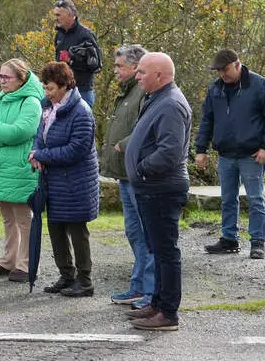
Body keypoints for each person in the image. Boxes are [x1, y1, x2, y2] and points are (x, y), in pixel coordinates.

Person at [125, 52, 192, 331]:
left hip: (161, 189)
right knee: (157, 249)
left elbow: (170, 151)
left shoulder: (171, 104)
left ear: (159, 75)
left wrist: (141, 169)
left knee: (166, 252)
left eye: (142, 72)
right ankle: (157, 303)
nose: (137, 76)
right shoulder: (157, 99)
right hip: (151, 189)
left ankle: (168, 313)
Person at [195, 48, 265, 260]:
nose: (221, 74)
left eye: (225, 69)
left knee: (255, 199)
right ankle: (229, 239)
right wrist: (201, 149)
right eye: (218, 71)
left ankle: (257, 242)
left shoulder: (259, 85)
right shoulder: (215, 88)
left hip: (252, 155)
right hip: (225, 154)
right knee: (227, 199)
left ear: (237, 64)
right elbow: (207, 120)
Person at [29, 61, 99, 298]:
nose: (46, 93)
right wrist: (35, 153)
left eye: (50, 88)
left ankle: (85, 281)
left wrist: (42, 155)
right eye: (44, 88)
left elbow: (75, 150)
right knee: (55, 229)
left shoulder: (81, 112)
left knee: (77, 231)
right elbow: (39, 136)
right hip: (54, 181)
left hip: (76, 183)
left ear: (64, 86)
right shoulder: (48, 108)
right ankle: (67, 275)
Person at [0, 58, 44, 284]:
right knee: (8, 218)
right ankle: (9, 259)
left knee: (24, 219)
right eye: (0, 76)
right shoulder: (0, 99)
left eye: (7, 77)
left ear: (21, 79)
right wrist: (3, 136)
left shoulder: (31, 102)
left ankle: (26, 264)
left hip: (19, 169)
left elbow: (19, 132)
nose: (2, 81)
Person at [103, 45, 156, 309]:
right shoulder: (127, 92)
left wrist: (123, 144)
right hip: (124, 174)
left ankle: (150, 290)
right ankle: (138, 286)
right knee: (134, 232)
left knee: (147, 234)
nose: (115, 71)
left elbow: (145, 129)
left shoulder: (143, 93)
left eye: (119, 66)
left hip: (137, 173)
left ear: (136, 67)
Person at [52, 0, 103, 108]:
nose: (56, 18)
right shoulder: (59, 35)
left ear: (70, 15)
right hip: (63, 91)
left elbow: (96, 65)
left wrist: (72, 60)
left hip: (82, 92)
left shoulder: (85, 34)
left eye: (58, 15)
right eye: (55, 15)